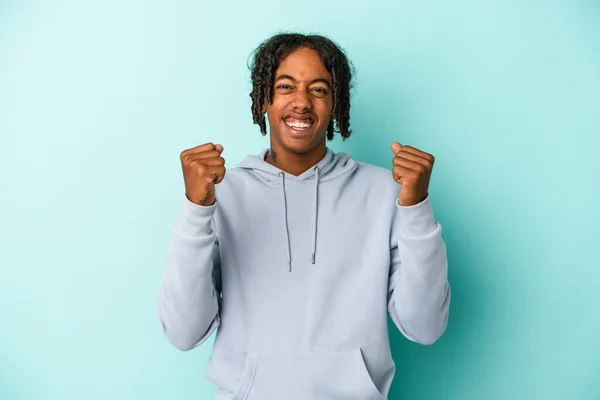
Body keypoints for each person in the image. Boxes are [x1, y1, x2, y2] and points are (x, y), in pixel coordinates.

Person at [157, 32, 451, 400]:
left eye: (319, 89)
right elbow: (184, 333)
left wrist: (417, 206)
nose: (301, 103)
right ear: (263, 98)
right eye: (285, 86)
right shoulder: (222, 194)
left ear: (336, 103)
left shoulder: (385, 192)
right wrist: (196, 210)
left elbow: (425, 327)